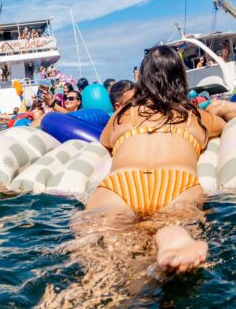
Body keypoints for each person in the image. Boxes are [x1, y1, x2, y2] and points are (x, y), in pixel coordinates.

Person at [85, 45, 226, 273]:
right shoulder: (195, 116)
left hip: (120, 185)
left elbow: (105, 140)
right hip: (177, 184)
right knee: (172, 223)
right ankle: (172, 237)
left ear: (142, 79)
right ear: (180, 78)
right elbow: (223, 124)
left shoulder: (122, 116)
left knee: (101, 270)